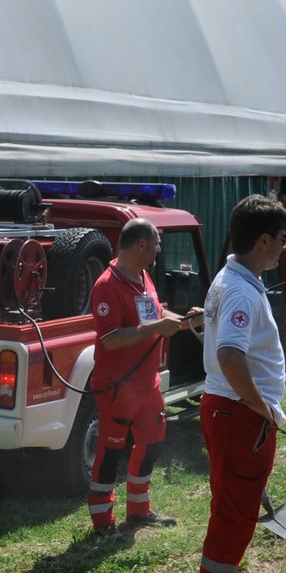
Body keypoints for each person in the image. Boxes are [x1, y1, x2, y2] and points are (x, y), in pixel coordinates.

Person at [192, 194, 286, 573]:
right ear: (264, 239)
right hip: (239, 415)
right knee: (233, 517)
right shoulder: (238, 288)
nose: (284, 250)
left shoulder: (235, 278)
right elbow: (229, 355)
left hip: (229, 411)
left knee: (235, 509)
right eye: (283, 241)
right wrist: (262, 407)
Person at [85, 218, 204, 538]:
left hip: (146, 383)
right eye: (157, 244)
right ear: (141, 245)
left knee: (152, 441)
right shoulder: (107, 286)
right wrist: (155, 328)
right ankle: (103, 524)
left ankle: (139, 511)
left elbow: (154, 315)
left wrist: (184, 321)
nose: (159, 249)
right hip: (117, 386)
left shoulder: (142, 277)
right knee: (110, 452)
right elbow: (110, 339)